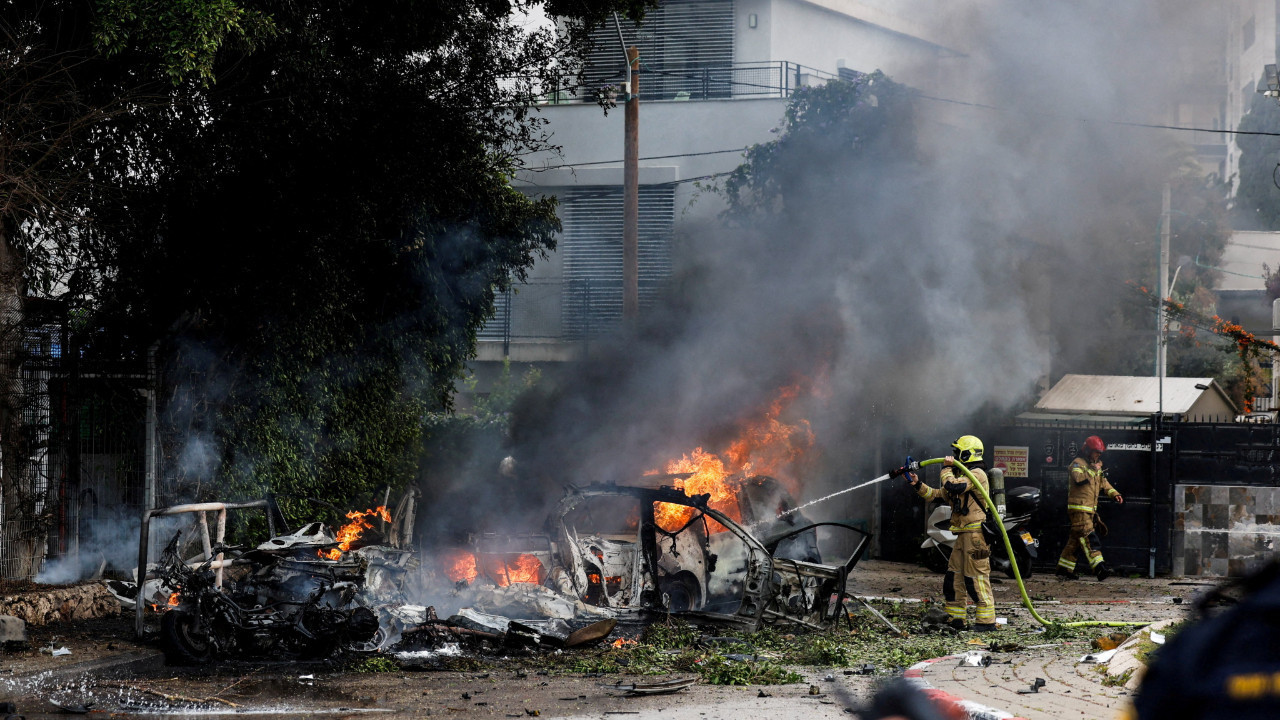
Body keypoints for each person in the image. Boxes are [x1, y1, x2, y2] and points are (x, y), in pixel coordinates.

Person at [907, 435, 995, 631]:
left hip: (975, 536)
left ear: (967, 454)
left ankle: (986, 622)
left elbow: (954, 486)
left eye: (957, 452)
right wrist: (917, 484)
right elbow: (937, 495)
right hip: (963, 535)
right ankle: (956, 619)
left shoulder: (977, 473)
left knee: (976, 580)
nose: (954, 456)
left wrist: (946, 469)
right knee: (953, 578)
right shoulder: (961, 475)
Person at [1056, 435, 1123, 581]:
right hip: (1079, 509)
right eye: (1096, 452)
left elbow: (1104, 483)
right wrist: (1093, 470)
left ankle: (1064, 569)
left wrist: (1115, 494)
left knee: (1075, 540)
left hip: (1089, 510)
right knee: (1089, 537)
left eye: (1100, 452)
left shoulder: (1096, 467)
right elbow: (1078, 479)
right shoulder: (1077, 464)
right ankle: (1099, 568)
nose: (1098, 455)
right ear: (1087, 450)